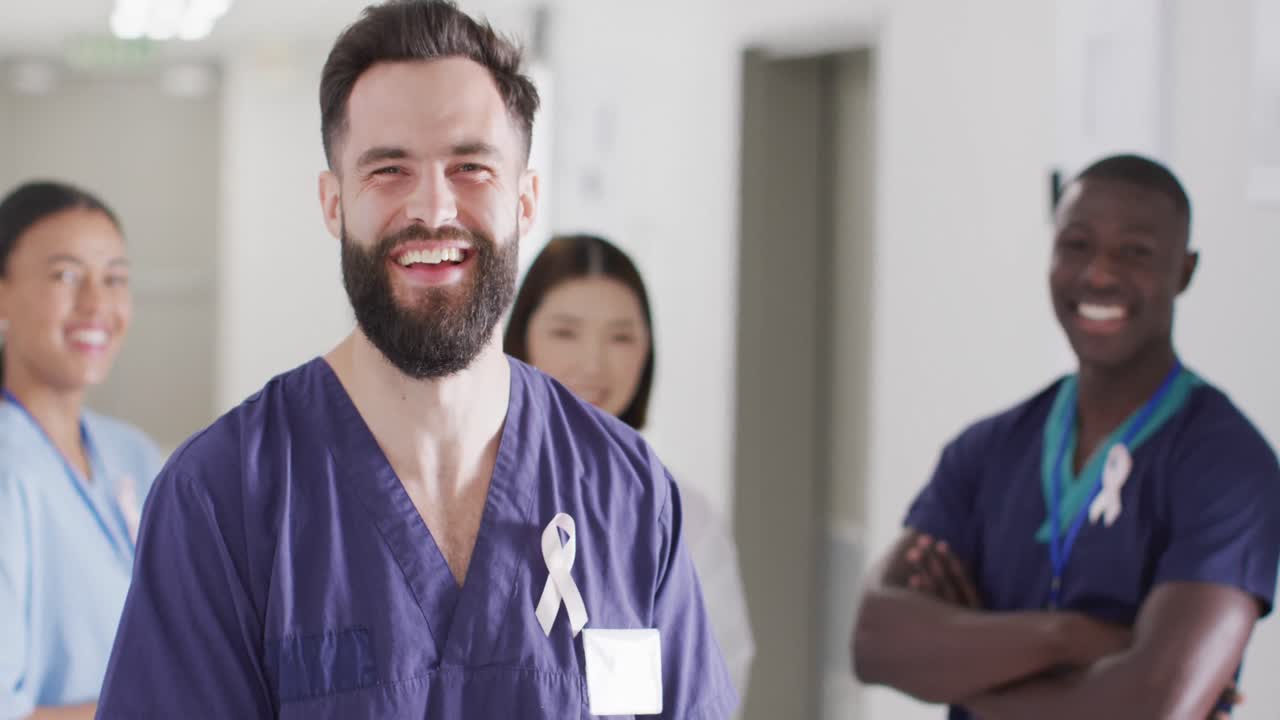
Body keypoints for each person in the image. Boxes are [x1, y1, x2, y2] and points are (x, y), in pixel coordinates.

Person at [95, 2, 735, 718]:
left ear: (525, 200)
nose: (433, 207)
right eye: (389, 169)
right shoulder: (225, 499)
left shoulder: (628, 495)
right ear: (333, 202)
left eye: (471, 167)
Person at [851, 154, 1280, 719]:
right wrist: (1073, 639)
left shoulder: (1228, 466)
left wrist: (962, 666)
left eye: (1136, 252)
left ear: (1185, 271)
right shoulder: (985, 451)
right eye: (1076, 244)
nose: (1099, 274)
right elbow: (875, 642)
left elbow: (1150, 709)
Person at [505, 233, 757, 700]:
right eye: (565, 332)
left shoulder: (682, 519)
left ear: (647, 351)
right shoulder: (460, 496)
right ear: (522, 339)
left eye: (620, 337)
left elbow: (712, 686)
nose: (593, 362)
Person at [0, 181, 163, 720]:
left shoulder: (133, 455)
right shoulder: (8, 466)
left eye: (114, 278)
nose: (96, 304)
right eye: (65, 276)